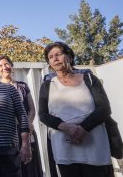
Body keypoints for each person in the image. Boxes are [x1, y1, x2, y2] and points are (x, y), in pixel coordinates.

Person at [38, 42, 114, 177]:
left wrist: (83, 129)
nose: (55, 58)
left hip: (93, 144)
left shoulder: (89, 79)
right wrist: (67, 128)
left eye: (58, 54)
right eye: (50, 57)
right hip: (65, 147)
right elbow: (43, 115)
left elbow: (104, 108)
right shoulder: (47, 85)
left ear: (70, 57)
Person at [0, 55, 43, 177]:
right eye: (0, 66)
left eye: (6, 64)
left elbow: (32, 108)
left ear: (11, 66)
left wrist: (27, 123)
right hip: (8, 134)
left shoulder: (23, 85)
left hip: (27, 130)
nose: (4, 67)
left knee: (30, 166)